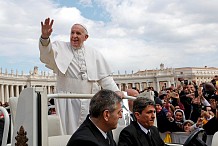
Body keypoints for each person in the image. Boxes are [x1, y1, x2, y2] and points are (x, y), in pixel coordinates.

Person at [39, 18, 123, 134]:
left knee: (90, 133)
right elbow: (45, 54)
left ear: (86, 37)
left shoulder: (94, 53)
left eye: (78, 33)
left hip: (90, 100)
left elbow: (104, 77)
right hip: (67, 101)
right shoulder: (60, 47)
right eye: (72, 32)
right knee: (69, 133)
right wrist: (44, 38)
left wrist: (116, 91)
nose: (74, 36)